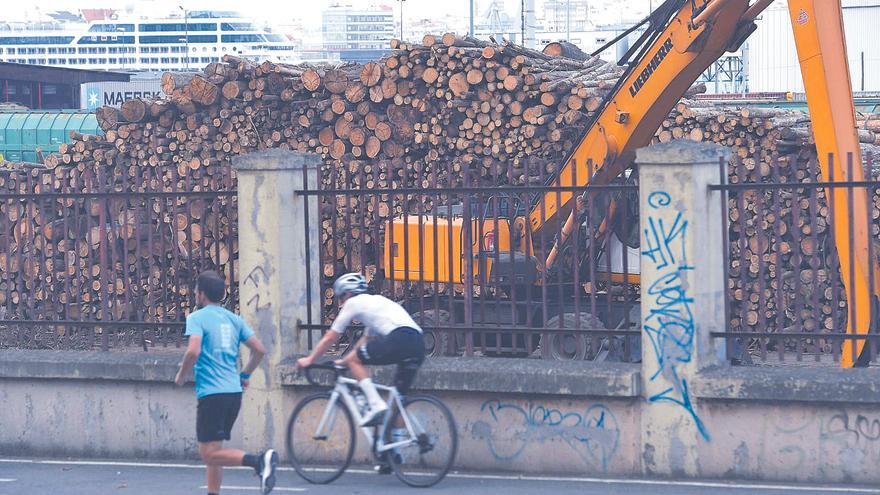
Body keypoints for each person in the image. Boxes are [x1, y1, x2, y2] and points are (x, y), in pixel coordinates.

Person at [175, 270, 278, 495]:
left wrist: (182, 375)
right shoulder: (233, 319)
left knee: (208, 454)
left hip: (212, 395)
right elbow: (259, 350)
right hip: (233, 393)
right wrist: (245, 375)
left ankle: (259, 461)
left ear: (201, 295)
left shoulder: (196, 318)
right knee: (215, 451)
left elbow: (193, 351)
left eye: (195, 291)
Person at [296, 271, 425, 432]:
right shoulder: (377, 304)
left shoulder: (353, 303)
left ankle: (376, 404)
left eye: (341, 297)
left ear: (348, 293)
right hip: (418, 343)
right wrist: (343, 362)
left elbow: (331, 337)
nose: (341, 303)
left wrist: (310, 359)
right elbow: (364, 343)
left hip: (399, 338)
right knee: (396, 402)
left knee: (356, 361)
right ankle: (396, 451)